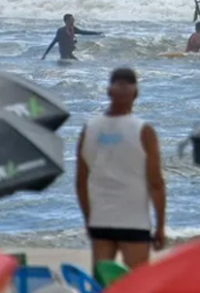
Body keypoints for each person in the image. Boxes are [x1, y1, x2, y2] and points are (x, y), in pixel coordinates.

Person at [75, 67, 166, 273]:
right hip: (134, 221)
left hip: (100, 220)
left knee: (102, 286)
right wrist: (160, 225)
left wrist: (89, 217)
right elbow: (156, 183)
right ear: (136, 94)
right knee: (138, 286)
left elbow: (81, 182)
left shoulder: (90, 129)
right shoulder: (144, 131)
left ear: (108, 92)